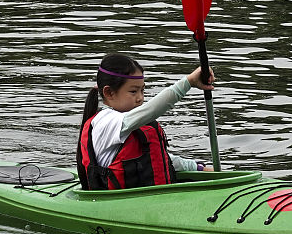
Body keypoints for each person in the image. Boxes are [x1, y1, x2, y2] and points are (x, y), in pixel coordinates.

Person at [77, 52, 216, 190]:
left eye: (142, 91)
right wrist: (188, 82)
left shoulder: (129, 122)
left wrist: (198, 168)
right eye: (133, 92)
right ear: (109, 93)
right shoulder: (106, 121)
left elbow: (162, 159)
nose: (140, 98)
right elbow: (152, 110)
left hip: (148, 197)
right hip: (115, 201)